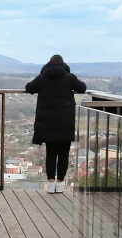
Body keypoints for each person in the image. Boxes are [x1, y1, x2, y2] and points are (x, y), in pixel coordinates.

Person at [25, 54, 87, 193]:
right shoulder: (69, 78)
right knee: (64, 154)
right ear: (63, 65)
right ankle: (60, 184)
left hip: (47, 124)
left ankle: (51, 183)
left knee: (51, 154)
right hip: (65, 123)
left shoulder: (42, 78)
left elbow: (29, 88)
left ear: (48, 65)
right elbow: (82, 88)